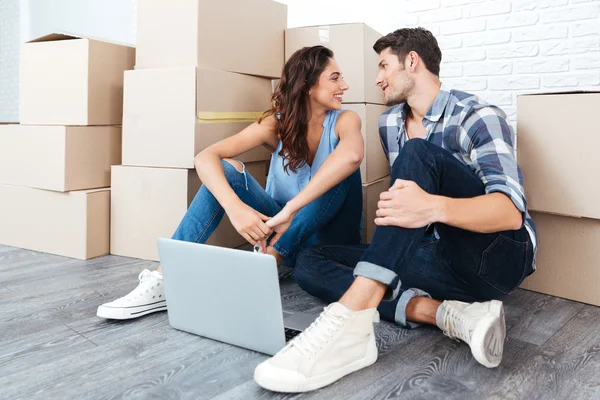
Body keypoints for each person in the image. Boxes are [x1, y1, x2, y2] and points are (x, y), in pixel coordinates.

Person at [253, 27, 537, 393]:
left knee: (418, 153)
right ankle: (448, 314)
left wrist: (432, 208)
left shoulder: (477, 116)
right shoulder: (389, 123)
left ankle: (350, 322)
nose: (377, 77)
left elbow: (509, 213)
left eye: (384, 66)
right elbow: (405, 210)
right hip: (436, 257)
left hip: (496, 256)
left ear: (412, 62)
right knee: (310, 260)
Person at [97, 45, 365, 320]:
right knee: (226, 169)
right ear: (308, 85)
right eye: (335, 78)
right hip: (282, 235)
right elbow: (205, 157)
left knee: (340, 171)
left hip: (326, 247)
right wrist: (234, 207)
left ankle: (271, 260)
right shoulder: (277, 124)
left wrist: (290, 211)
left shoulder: (345, 120)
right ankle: (165, 277)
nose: (344, 85)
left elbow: (353, 156)